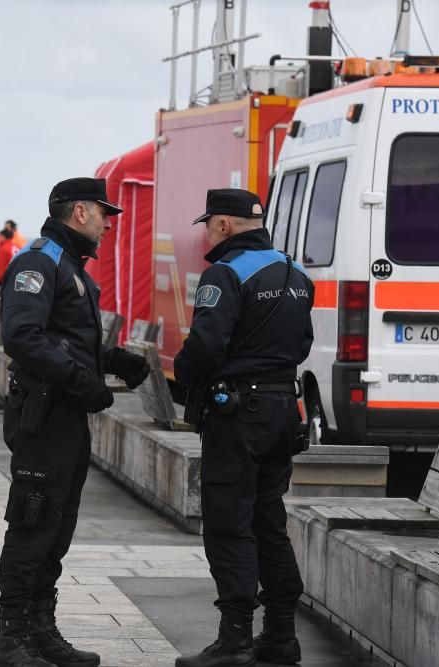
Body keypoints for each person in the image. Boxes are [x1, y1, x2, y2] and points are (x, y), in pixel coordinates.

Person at [0, 177, 150, 667]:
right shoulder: (40, 262)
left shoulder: (71, 267)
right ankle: (12, 637)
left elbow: (66, 340)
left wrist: (112, 359)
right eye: (105, 215)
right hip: (44, 413)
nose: (108, 225)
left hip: (65, 415)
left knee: (57, 526)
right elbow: (22, 337)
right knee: (33, 522)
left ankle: (40, 628)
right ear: (80, 212)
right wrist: (84, 381)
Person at [173, 189, 314, 667]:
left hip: (239, 416)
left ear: (224, 225)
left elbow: (206, 345)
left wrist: (184, 377)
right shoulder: (297, 273)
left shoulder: (225, 273)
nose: (207, 232)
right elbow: (303, 342)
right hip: (280, 411)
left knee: (230, 526)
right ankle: (280, 636)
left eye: (209, 223)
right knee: (269, 522)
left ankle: (234, 640)